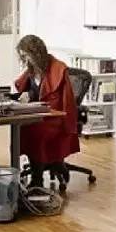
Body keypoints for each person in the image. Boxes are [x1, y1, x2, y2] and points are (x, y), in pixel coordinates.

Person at [14, 35, 79, 187]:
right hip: (38, 113)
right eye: (23, 56)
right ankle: (54, 164)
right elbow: (33, 90)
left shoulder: (58, 69)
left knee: (35, 132)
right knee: (21, 130)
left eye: (26, 56)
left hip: (55, 117)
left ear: (35, 53)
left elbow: (66, 103)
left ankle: (37, 179)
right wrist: (27, 95)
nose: (25, 60)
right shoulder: (31, 70)